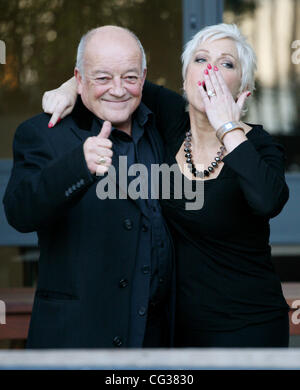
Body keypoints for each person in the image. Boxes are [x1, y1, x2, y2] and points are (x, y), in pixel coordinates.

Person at [42, 23, 290, 347]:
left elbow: (269, 201)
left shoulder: (257, 144)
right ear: (186, 78)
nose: (211, 69)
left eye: (227, 63)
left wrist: (227, 126)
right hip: (176, 329)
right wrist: (66, 88)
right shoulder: (172, 118)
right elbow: (113, 79)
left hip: (248, 327)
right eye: (201, 59)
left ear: (244, 88)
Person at [3, 26, 175, 348]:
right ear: (79, 79)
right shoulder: (43, 132)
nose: (118, 90)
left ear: (144, 78)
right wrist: (77, 167)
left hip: (153, 342)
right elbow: (19, 211)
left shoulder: (161, 126)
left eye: (130, 77)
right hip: (77, 338)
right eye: (102, 78)